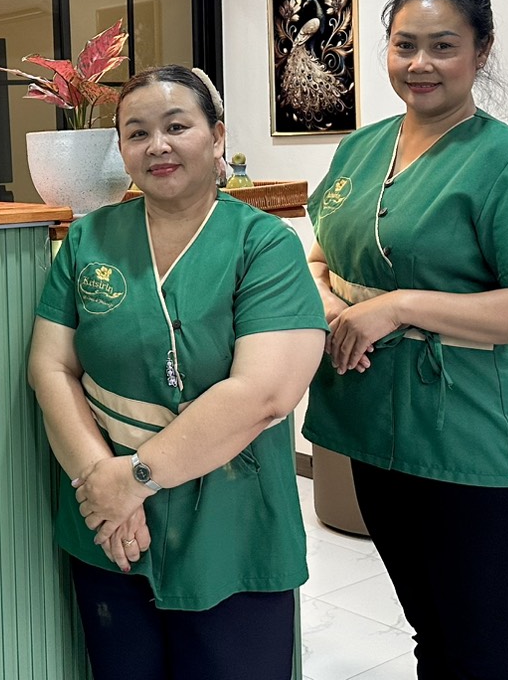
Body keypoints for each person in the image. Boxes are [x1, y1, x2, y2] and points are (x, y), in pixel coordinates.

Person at [303, 0, 508, 680]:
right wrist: (337, 306)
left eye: (442, 47)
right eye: (405, 46)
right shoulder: (359, 149)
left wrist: (399, 306)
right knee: (430, 632)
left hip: (468, 437)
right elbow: (317, 256)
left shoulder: (507, 160)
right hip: (370, 425)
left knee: (480, 651)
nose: (419, 64)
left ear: (481, 53)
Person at [29, 65, 328, 680]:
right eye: (136, 133)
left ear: (217, 137)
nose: (157, 145)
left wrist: (134, 478)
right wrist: (102, 486)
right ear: (121, 150)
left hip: (230, 521)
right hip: (108, 527)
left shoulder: (264, 244)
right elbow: (50, 365)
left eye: (177, 126)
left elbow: (264, 394)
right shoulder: (89, 239)